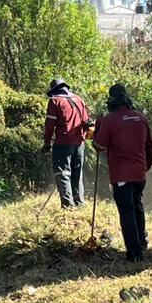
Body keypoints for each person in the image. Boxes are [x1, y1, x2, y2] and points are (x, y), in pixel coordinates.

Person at [92, 84, 152, 263]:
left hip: (121, 175)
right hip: (139, 173)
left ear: (111, 101)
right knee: (137, 206)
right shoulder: (141, 118)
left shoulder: (110, 120)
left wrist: (98, 127)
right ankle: (142, 242)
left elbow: (99, 146)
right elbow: (150, 148)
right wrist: (145, 167)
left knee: (126, 211)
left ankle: (134, 252)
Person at [43, 78, 91, 208]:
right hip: (80, 143)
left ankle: (68, 206)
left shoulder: (54, 101)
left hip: (63, 143)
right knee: (77, 173)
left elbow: (49, 126)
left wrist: (46, 143)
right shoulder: (78, 99)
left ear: (54, 90)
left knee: (62, 173)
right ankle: (79, 203)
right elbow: (87, 121)